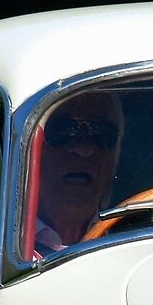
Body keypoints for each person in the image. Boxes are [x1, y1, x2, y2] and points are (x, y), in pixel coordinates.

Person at [27, 91, 125, 258]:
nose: (83, 150)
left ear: (115, 156)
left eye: (101, 133)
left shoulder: (140, 245)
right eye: (62, 129)